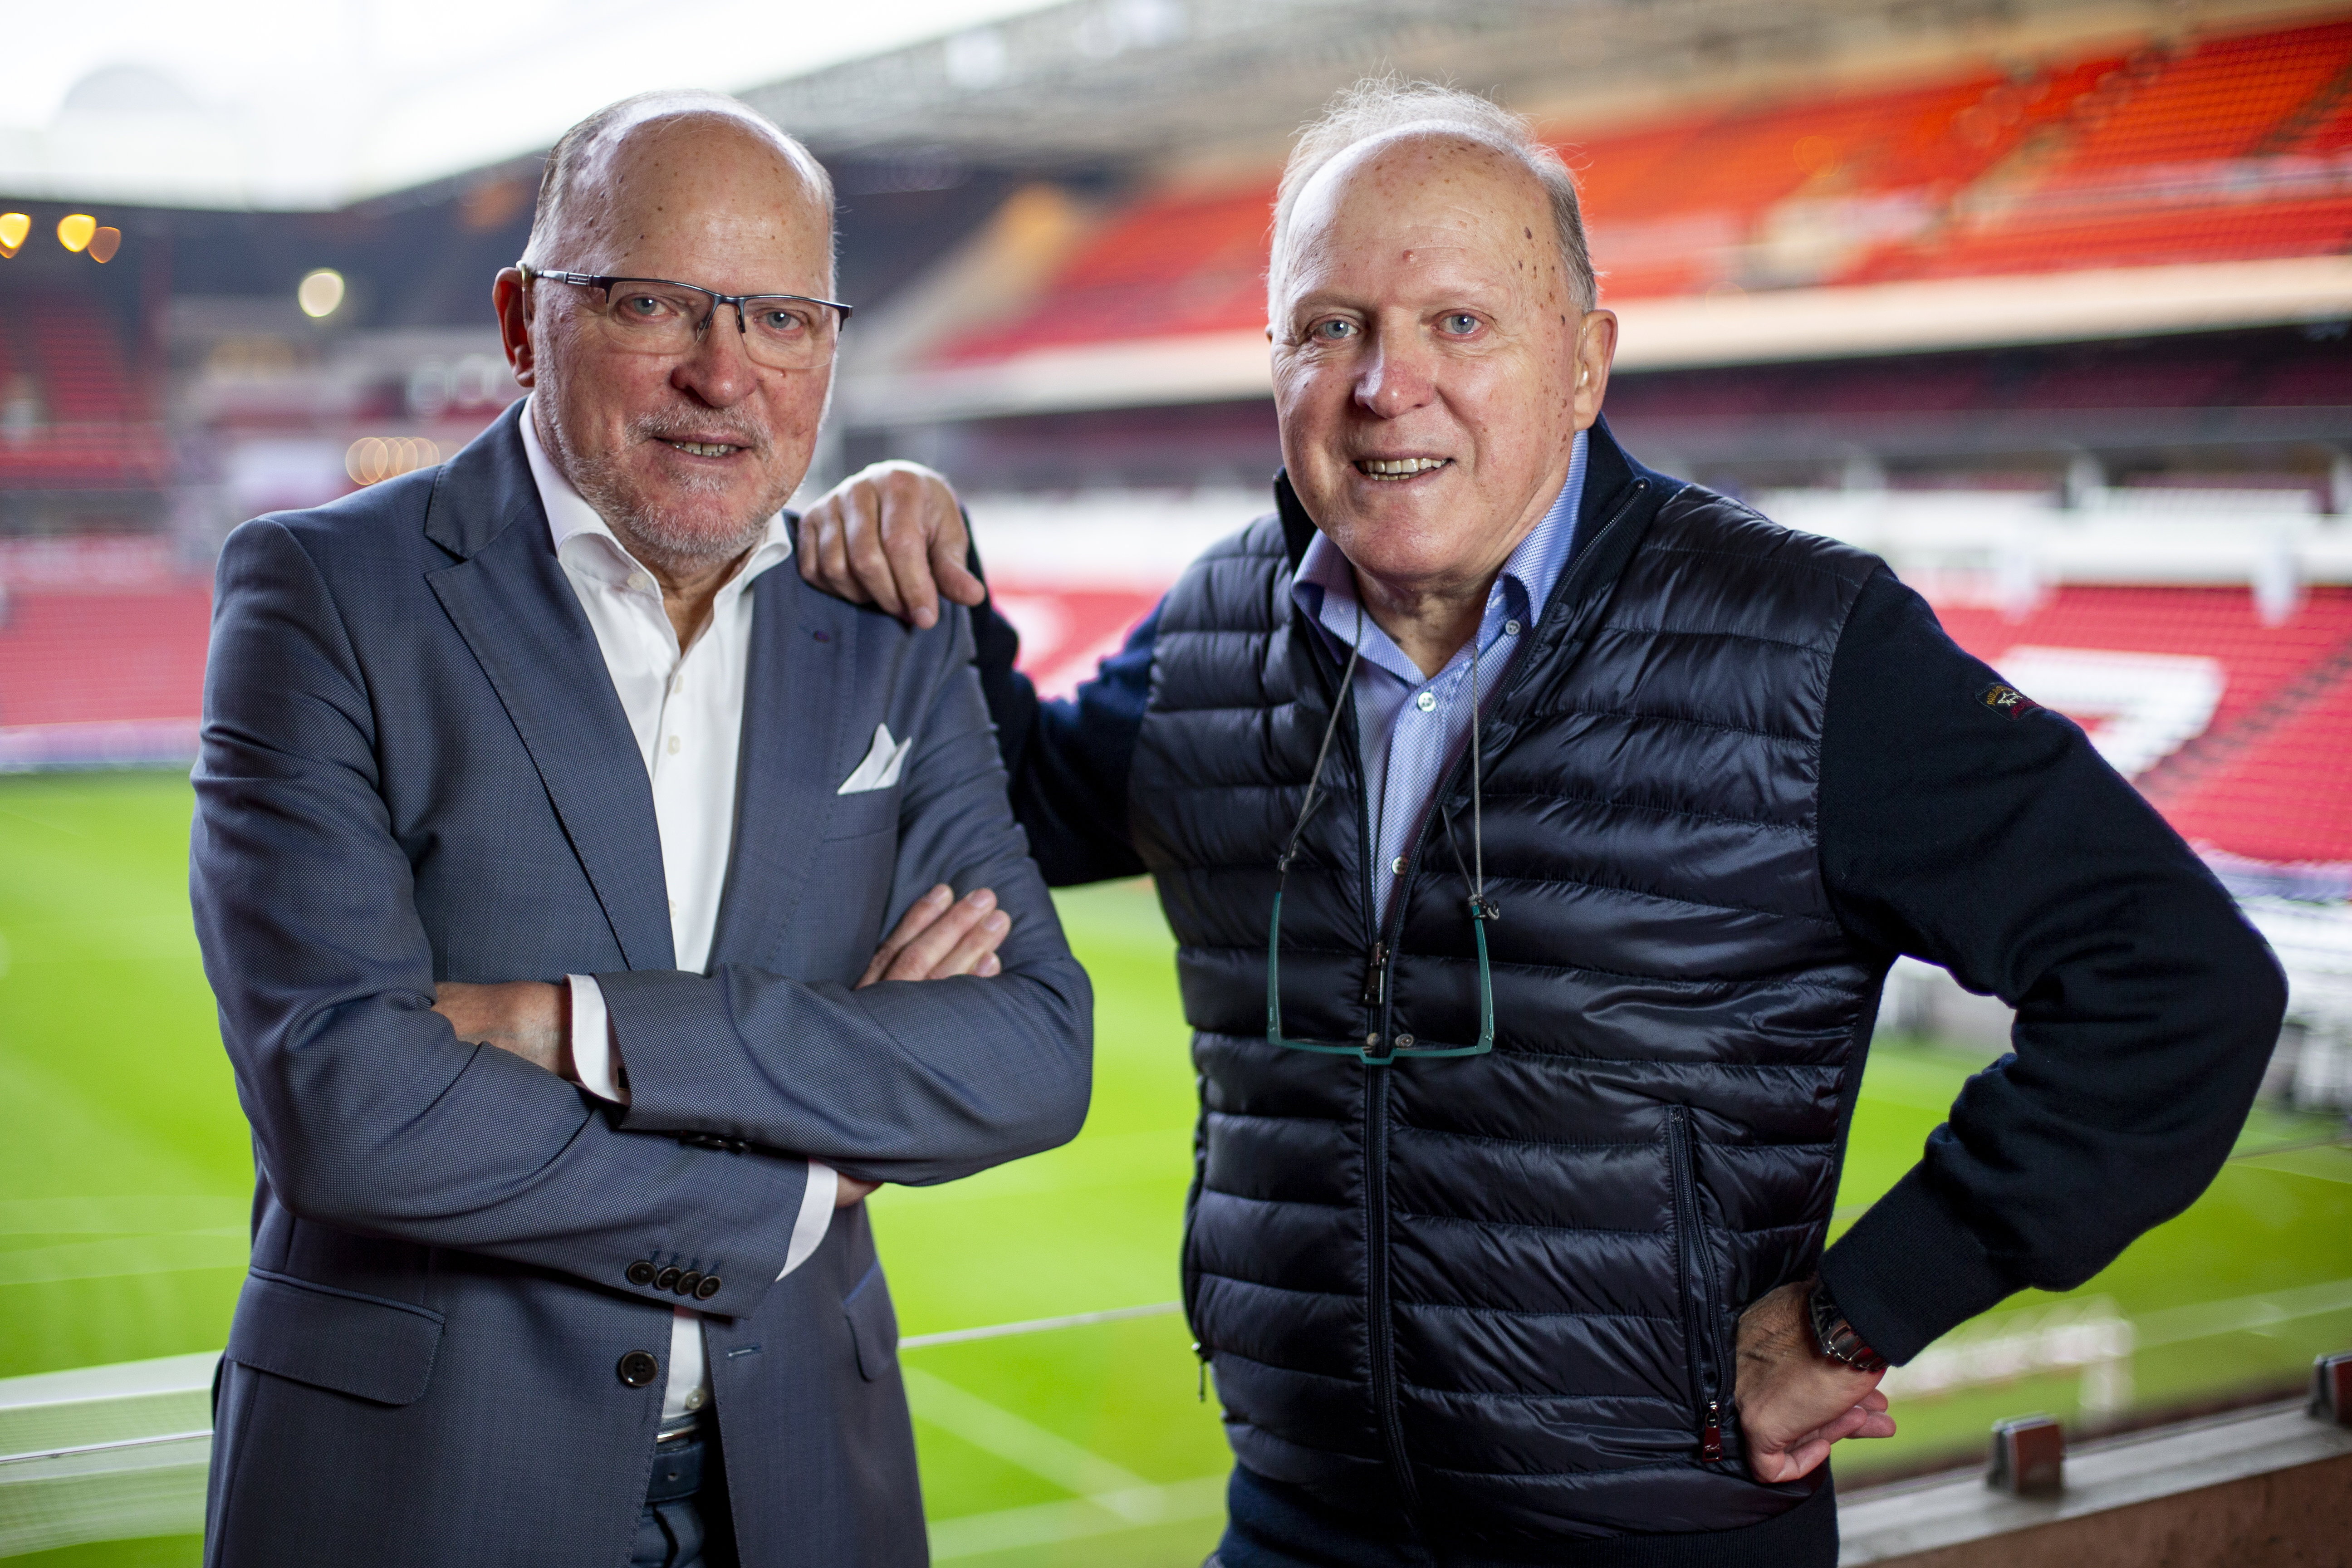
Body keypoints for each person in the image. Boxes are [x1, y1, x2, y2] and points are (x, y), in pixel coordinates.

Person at [798, 78, 2286, 1567]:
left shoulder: (1807, 643)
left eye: (1461, 322)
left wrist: (1865, 1307)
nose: (1388, 386)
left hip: (1661, 1539)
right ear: (1274, 362)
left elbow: (2179, 983)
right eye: (1331, 328)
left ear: (1584, 364)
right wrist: (931, 570)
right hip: (1298, 1525)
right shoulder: (1213, 627)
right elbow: (1017, 805)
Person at [189, 91, 1084, 1568]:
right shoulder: (324, 593)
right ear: (523, 320)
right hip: (424, 1492)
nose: (722, 374)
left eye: (781, 319)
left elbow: (1035, 1052)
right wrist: (800, 1182)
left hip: (803, 1484)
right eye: (653, 302)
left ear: (832, 347)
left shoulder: (885, 625)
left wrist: (578, 1026)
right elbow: (347, 1110)